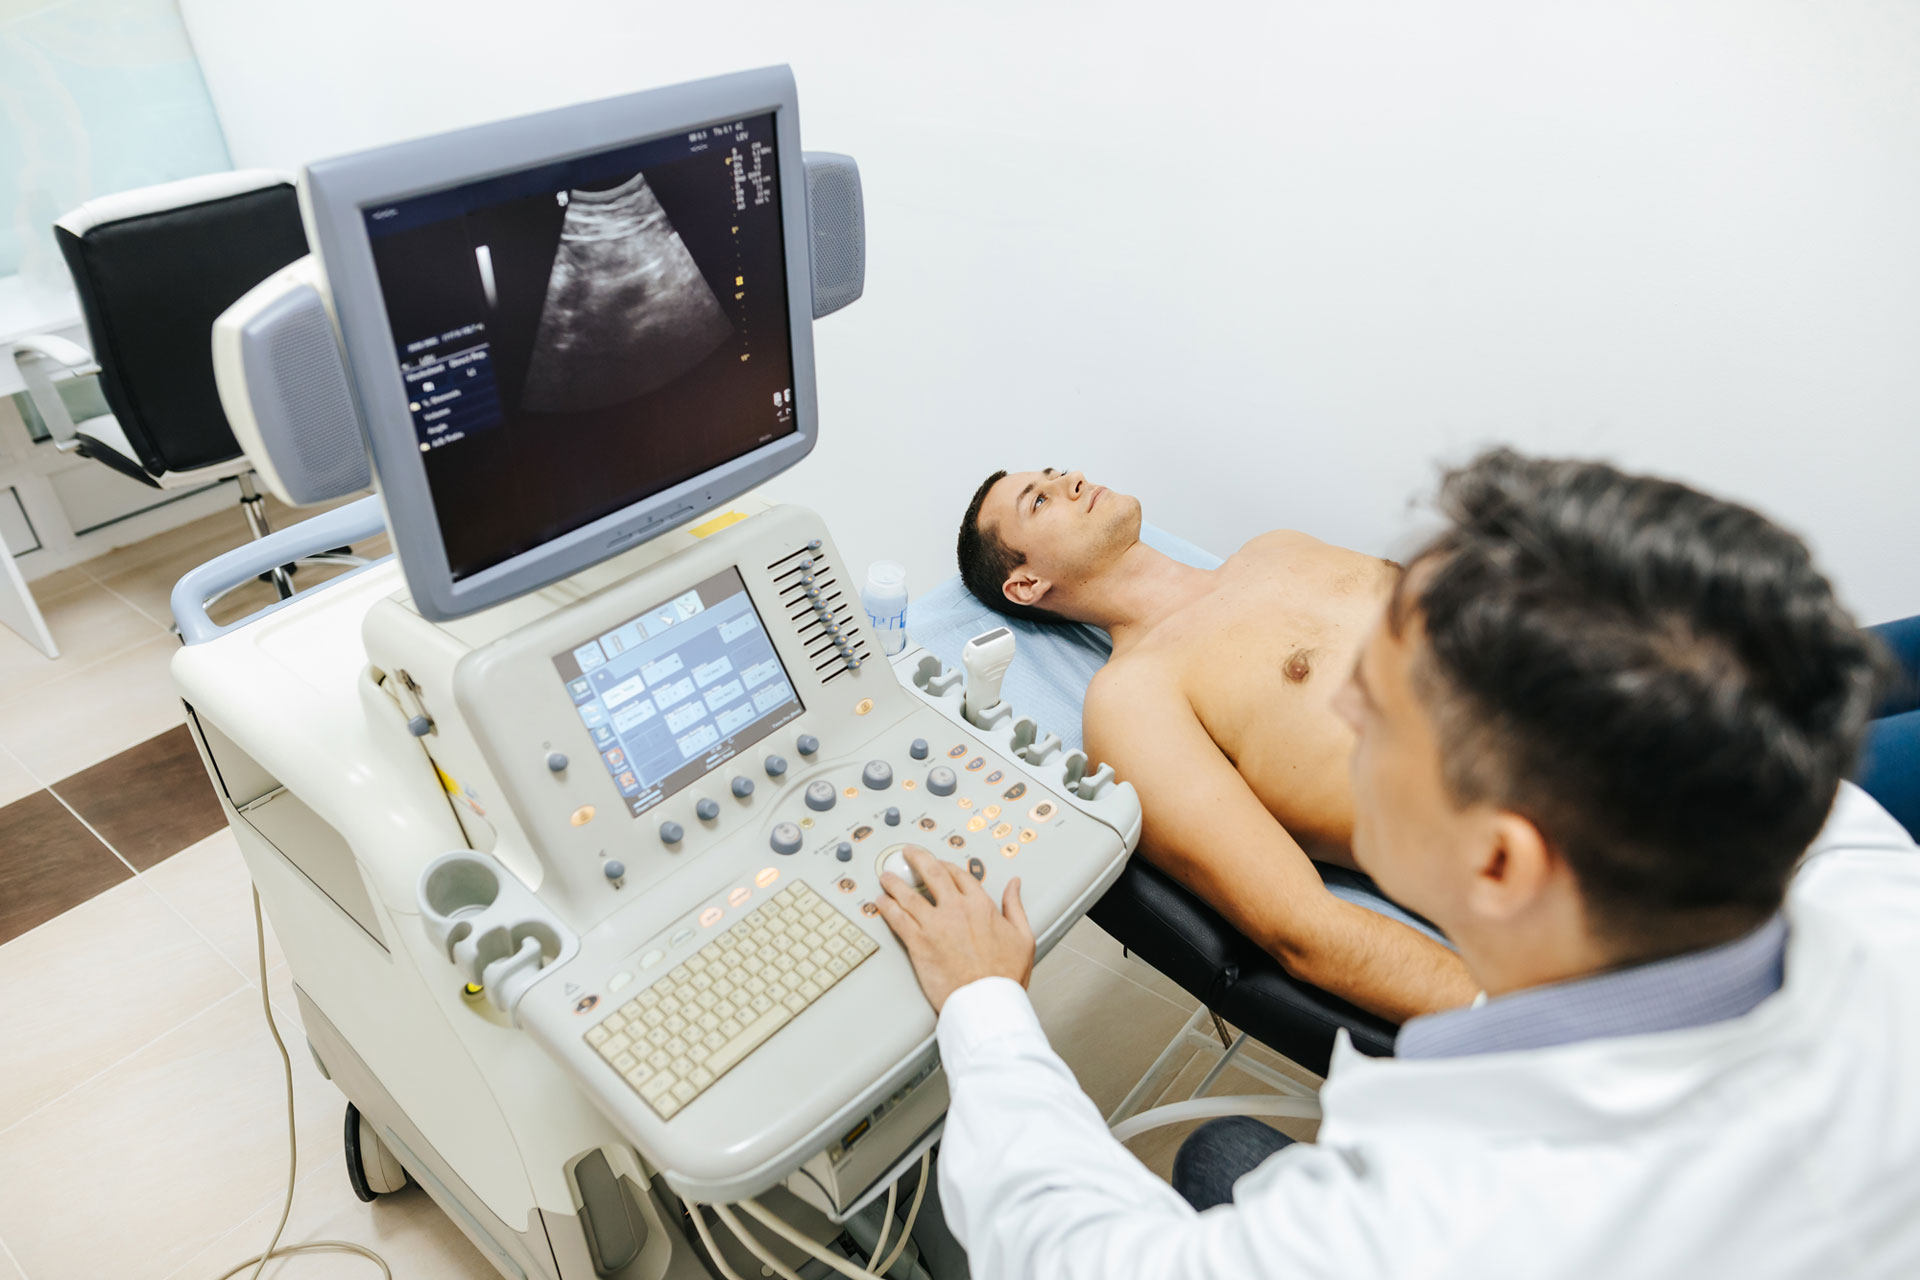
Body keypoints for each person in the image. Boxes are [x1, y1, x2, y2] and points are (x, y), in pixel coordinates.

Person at [888, 449, 1920, 1278]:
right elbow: (1298, 921)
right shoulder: (1852, 851)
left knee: (1219, 1162)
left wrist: (983, 1002)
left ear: (1503, 857)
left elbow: (1085, 1252)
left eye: (1374, 707)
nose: (1371, 699)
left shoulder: (1451, 1208)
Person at [957, 467, 1476, 1020]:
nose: (1074, 482)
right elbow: (1302, 928)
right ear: (1026, 584)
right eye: (1039, 501)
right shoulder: (1132, 699)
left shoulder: (1279, 549)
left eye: (1060, 474)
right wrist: (1513, 1018)